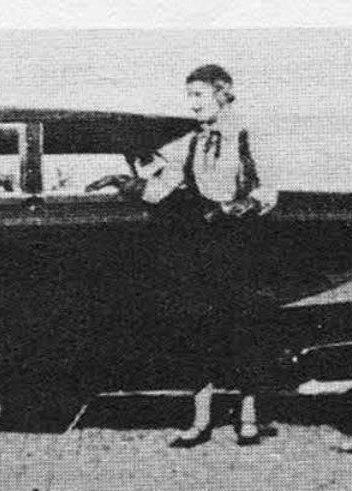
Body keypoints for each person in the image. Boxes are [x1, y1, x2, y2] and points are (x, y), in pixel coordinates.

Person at [90, 63, 280, 446]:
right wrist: (122, 182)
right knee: (199, 329)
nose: (191, 104)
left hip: (240, 245)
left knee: (243, 328)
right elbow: (161, 188)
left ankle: (248, 419)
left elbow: (268, 191)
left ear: (222, 94)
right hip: (201, 247)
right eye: (189, 95)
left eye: (198, 95)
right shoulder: (193, 141)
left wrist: (232, 208)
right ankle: (200, 421)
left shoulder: (246, 134)